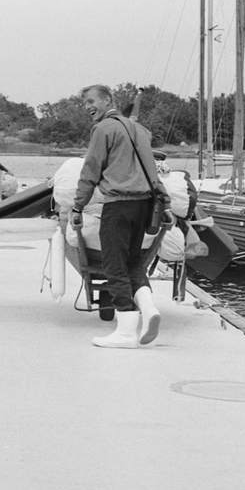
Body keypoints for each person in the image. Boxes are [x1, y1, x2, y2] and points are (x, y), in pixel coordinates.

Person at [71, 84, 166, 349]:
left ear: (108, 100)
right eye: (84, 103)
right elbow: (152, 169)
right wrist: (164, 201)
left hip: (118, 205)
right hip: (144, 205)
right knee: (134, 262)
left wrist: (78, 207)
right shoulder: (139, 129)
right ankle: (149, 310)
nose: (87, 106)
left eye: (91, 101)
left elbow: (90, 170)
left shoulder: (103, 129)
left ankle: (125, 332)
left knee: (114, 265)